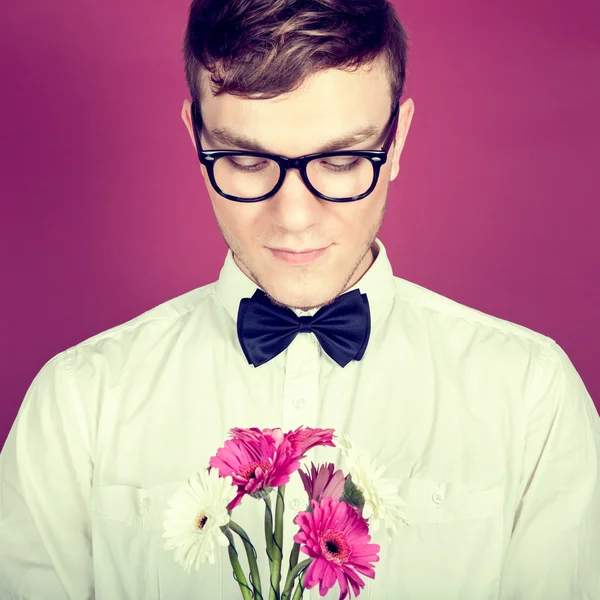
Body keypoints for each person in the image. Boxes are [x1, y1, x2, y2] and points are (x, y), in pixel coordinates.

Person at [1, 0, 599, 598]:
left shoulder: (532, 402)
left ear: (397, 141)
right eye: (244, 159)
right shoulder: (77, 404)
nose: (293, 218)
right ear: (195, 136)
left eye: (341, 160)